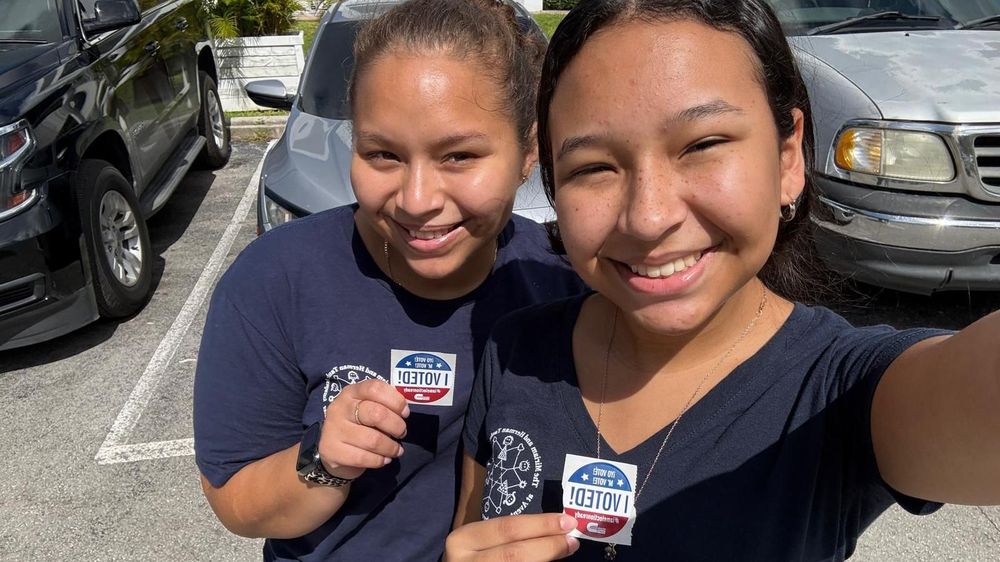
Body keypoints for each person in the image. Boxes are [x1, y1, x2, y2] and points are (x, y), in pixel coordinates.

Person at [445, 0, 1000, 560]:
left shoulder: (840, 392)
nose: (648, 217)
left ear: (787, 158)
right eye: (593, 167)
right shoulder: (515, 351)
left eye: (703, 146)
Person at [192, 1, 584, 560]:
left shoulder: (563, 287)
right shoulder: (274, 282)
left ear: (527, 151)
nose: (417, 200)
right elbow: (235, 501)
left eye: (458, 156)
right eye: (382, 154)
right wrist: (323, 460)